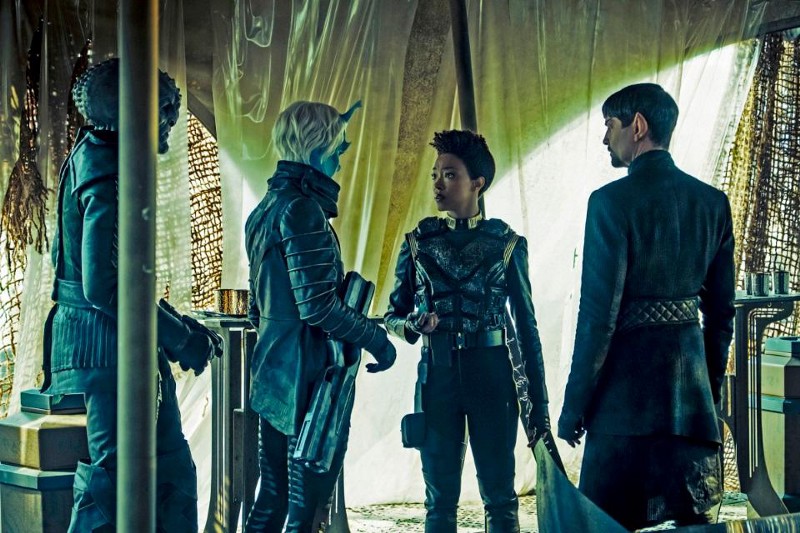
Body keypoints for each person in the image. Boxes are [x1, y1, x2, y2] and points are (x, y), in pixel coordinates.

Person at [43, 58, 219, 532]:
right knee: (117, 483)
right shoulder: (104, 167)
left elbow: (126, 279)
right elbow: (103, 285)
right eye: (161, 112)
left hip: (119, 342)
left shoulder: (104, 157)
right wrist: (178, 337)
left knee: (168, 473)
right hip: (104, 346)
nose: (168, 122)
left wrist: (178, 329)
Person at [558, 83, 735, 529]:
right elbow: (721, 317)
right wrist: (707, 395)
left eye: (610, 125)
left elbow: (598, 318)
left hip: (624, 412)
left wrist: (575, 405)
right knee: (693, 530)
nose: (605, 139)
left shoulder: (609, 203)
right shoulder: (713, 204)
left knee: (603, 526)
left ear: (637, 126)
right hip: (691, 414)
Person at [384, 130, 550, 533]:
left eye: (450, 175)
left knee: (500, 497)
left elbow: (527, 328)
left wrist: (540, 407)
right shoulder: (418, 242)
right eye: (435, 175)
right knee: (439, 502)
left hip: (492, 375)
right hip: (437, 375)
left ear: (478, 182)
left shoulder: (506, 244)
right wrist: (412, 324)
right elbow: (392, 316)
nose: (438, 184)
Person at [243, 100, 396, 532]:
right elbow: (317, 306)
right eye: (338, 147)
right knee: (305, 506)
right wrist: (377, 340)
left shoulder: (265, 207)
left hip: (274, 368)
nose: (341, 158)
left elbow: (258, 307)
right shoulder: (301, 209)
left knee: (273, 497)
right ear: (316, 148)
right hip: (307, 377)